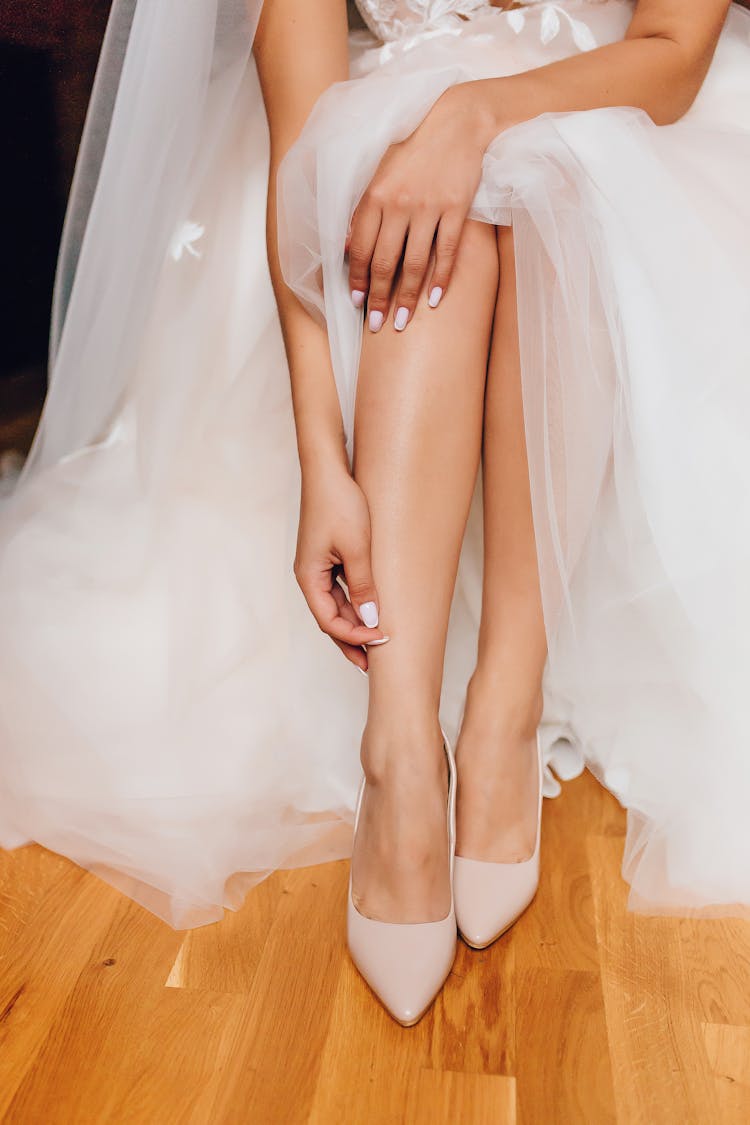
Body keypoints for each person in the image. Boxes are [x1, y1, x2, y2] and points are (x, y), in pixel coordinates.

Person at [1, 0, 749, 1027]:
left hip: (619, 115)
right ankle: (399, 750)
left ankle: (504, 712)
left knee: (548, 175)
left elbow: (670, 62)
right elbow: (301, 128)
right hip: (366, 174)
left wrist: (471, 120)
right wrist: (322, 458)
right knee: (429, 197)